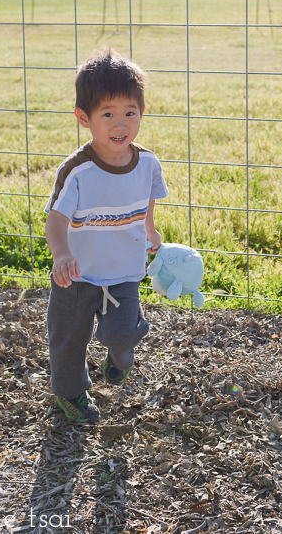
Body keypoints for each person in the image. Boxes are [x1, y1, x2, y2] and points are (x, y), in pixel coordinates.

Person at [44, 48, 168, 424]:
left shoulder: (147, 162)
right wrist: (61, 253)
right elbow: (55, 218)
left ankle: (121, 351)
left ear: (141, 114)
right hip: (77, 274)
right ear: (84, 118)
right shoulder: (77, 171)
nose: (121, 124)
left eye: (130, 113)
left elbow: (145, 198)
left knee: (121, 334)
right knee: (68, 339)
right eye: (108, 114)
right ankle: (70, 394)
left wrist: (148, 227)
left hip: (126, 271)